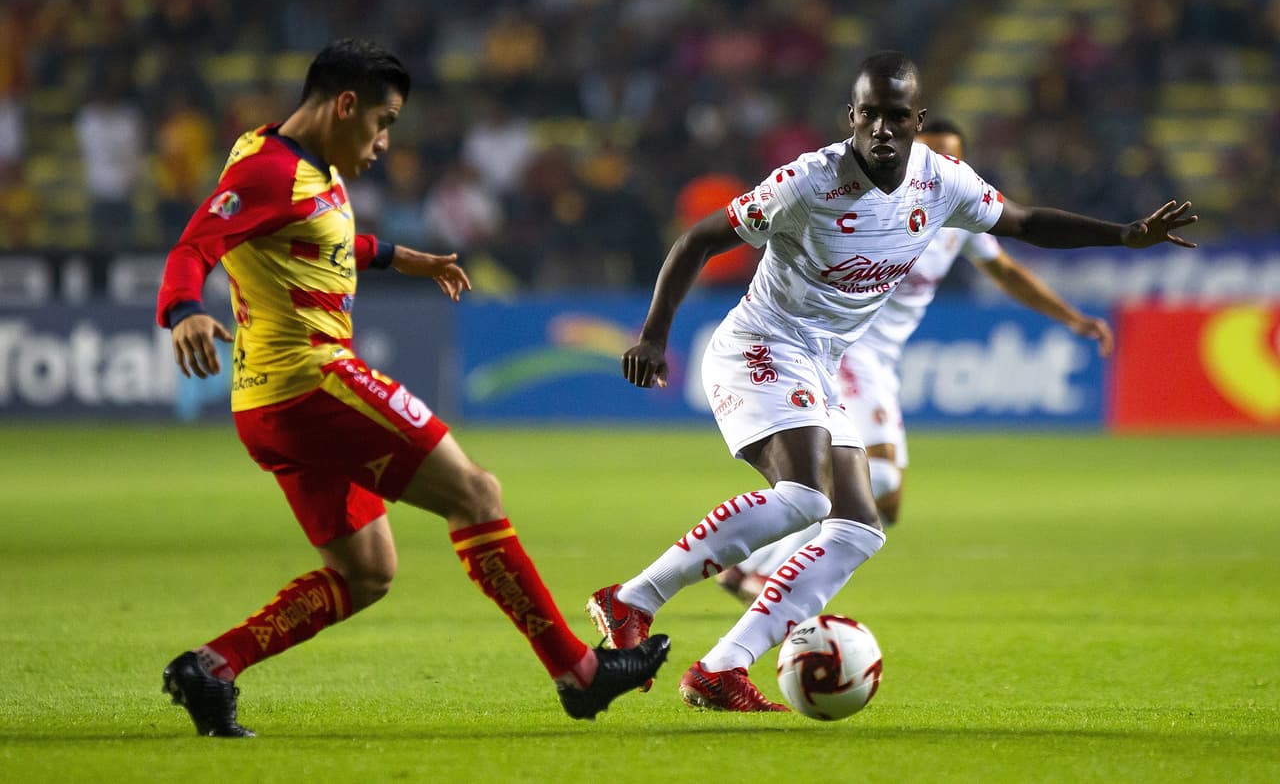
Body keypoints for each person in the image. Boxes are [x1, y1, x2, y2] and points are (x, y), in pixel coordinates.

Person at [587, 50, 1196, 712]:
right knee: (803, 499)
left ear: (917, 120)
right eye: (869, 114)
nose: (881, 126)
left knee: (857, 527)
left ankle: (721, 666)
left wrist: (1126, 234)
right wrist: (653, 333)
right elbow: (699, 239)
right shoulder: (808, 180)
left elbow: (1022, 223)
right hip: (760, 345)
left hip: (823, 362)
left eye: (895, 115)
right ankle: (631, 598)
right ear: (851, 116)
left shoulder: (942, 181)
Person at [155, 39, 669, 737]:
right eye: (382, 121)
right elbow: (194, 246)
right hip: (312, 381)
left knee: (366, 572)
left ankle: (212, 665)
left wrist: (405, 258)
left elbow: (323, 241)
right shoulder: (271, 171)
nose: (386, 140)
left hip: (267, 405)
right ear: (344, 105)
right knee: (476, 494)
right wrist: (183, 310)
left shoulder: (295, 162)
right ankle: (579, 673)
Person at [715, 118, 1117, 602]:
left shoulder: (958, 215)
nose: (945, 165)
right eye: (935, 155)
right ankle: (755, 571)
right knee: (872, 474)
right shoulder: (872, 209)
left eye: (955, 157)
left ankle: (751, 563)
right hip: (845, 351)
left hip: (881, 362)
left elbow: (1007, 270)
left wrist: (1072, 319)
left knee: (887, 500)